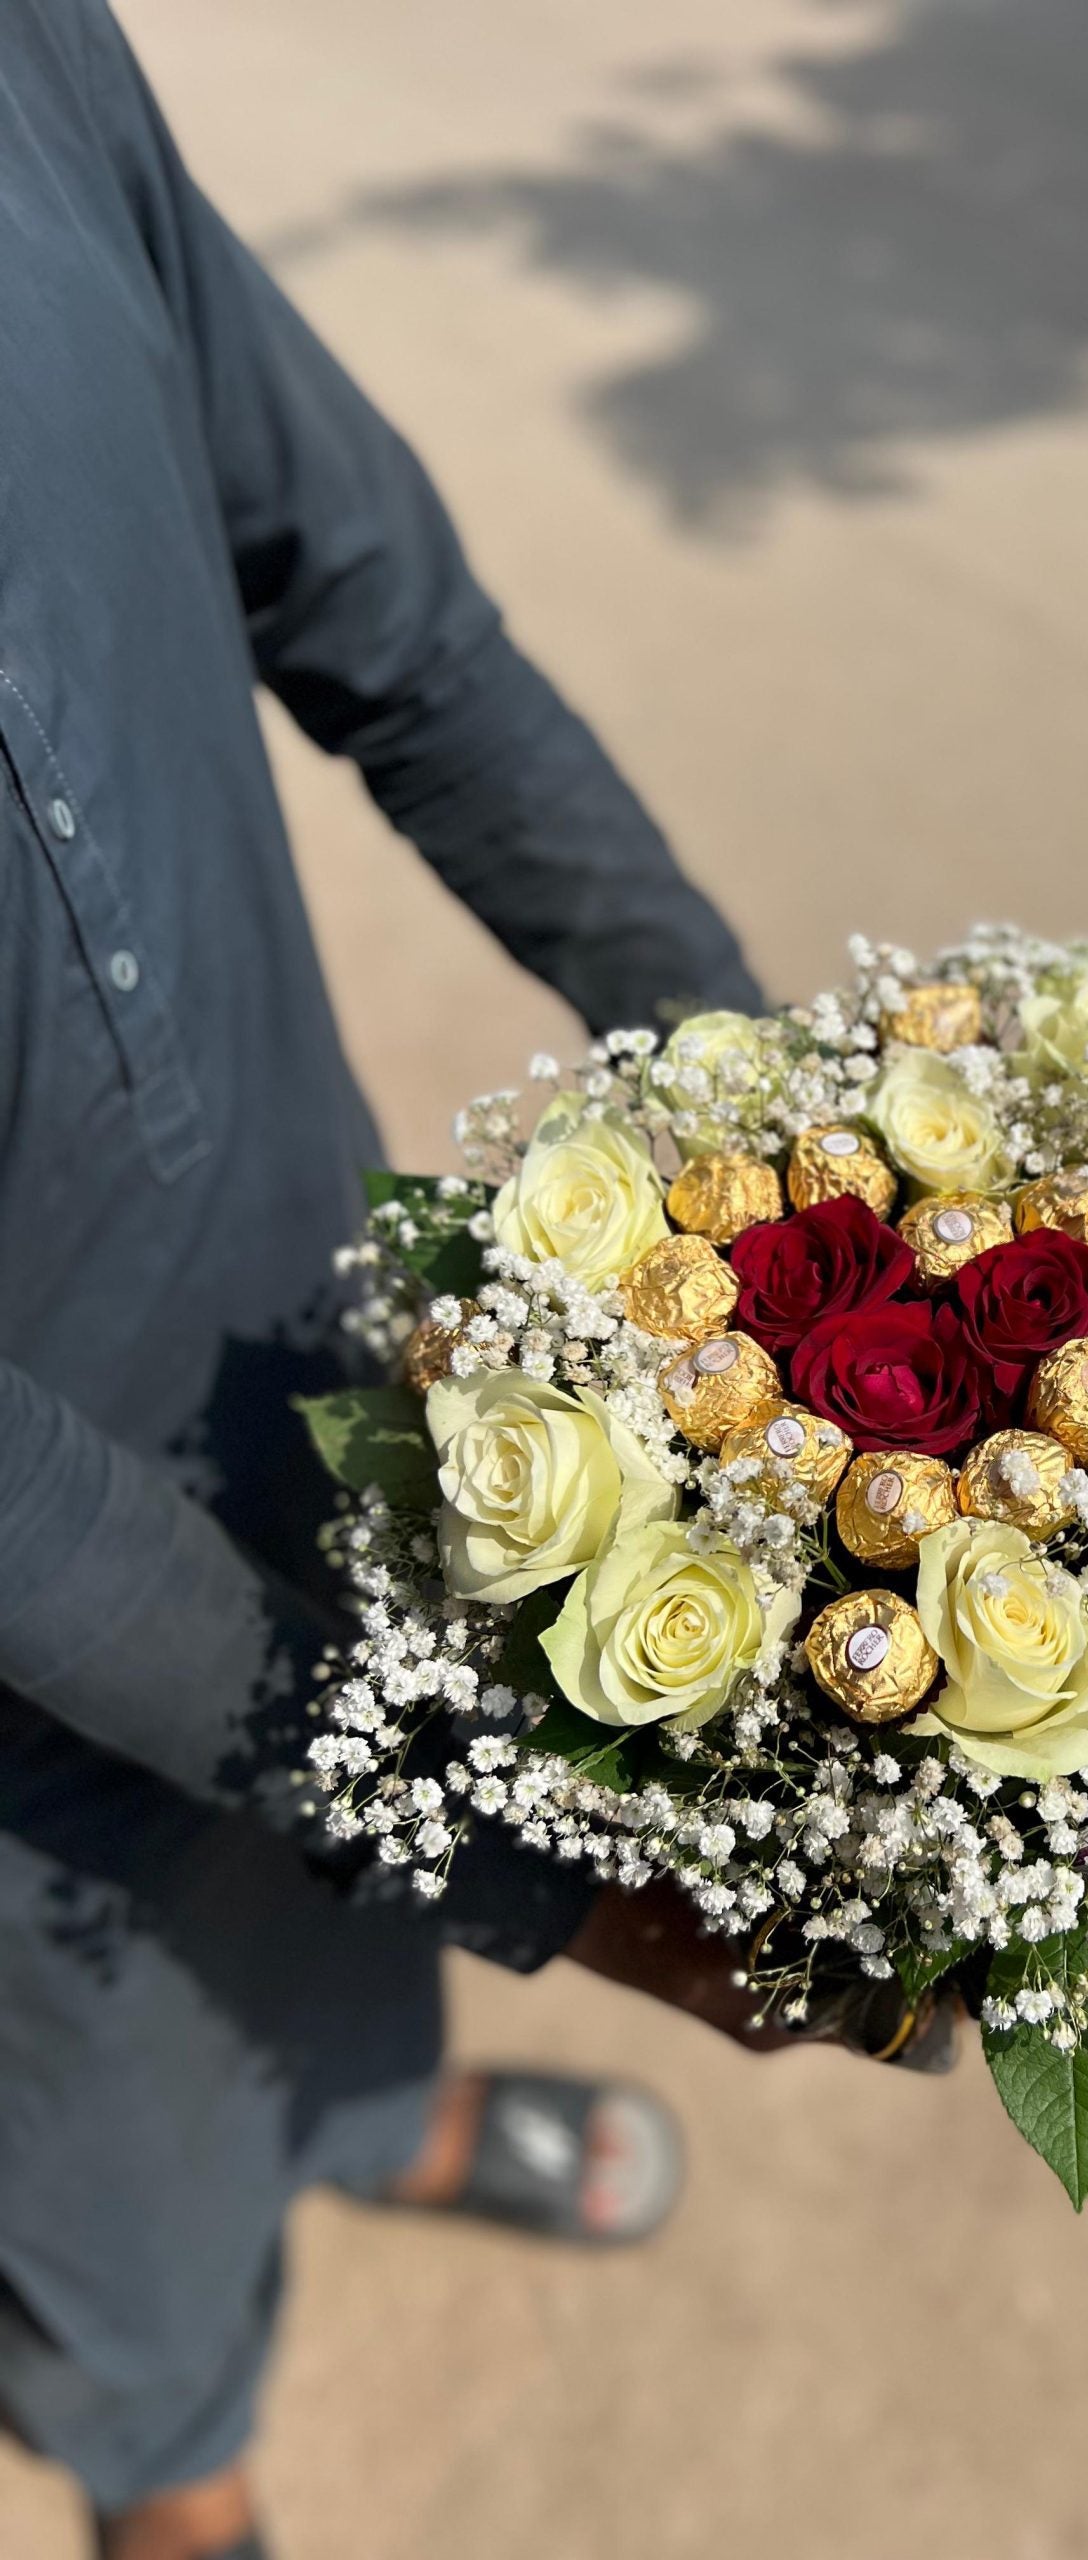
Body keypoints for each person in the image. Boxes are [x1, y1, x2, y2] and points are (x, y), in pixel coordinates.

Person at [0, 6, 880, 2554]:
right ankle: (179, 2476)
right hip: (21, 1669)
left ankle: (383, 2115)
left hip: (309, 1294)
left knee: (341, 1891)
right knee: (96, 2107)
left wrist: (788, 1160)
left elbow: (386, 611)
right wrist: (565, 1876)